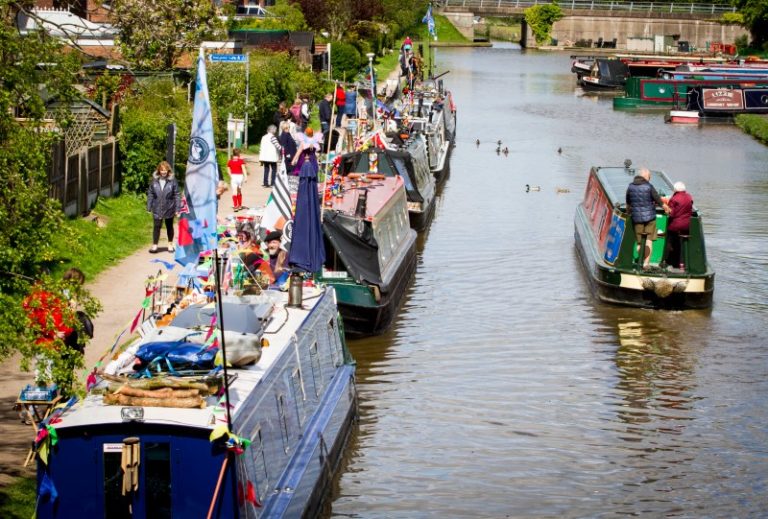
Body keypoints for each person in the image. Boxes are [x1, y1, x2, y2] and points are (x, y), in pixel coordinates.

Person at [625, 167, 666, 270]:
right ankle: (646, 264)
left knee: (639, 242)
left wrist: (629, 213)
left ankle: (640, 260)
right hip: (650, 218)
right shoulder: (649, 186)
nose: (650, 178)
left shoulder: (630, 187)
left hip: (637, 218)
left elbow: (628, 202)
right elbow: (657, 199)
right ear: (646, 177)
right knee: (649, 241)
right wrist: (665, 207)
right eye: (649, 176)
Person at [147, 160, 181, 253]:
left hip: (169, 207)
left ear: (168, 171)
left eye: (165, 170)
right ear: (159, 171)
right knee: (156, 226)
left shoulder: (173, 181)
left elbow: (177, 194)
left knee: (169, 226)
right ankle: (155, 245)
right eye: (162, 170)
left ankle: (170, 244)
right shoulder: (154, 181)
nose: (163, 172)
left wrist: (178, 209)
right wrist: (149, 206)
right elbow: (150, 194)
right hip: (157, 207)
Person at [663, 181, 694, 269]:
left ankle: (667, 261)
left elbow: (672, 214)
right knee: (682, 243)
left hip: (675, 226)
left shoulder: (674, 199)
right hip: (687, 225)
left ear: (675, 189)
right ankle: (682, 263)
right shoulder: (689, 197)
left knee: (669, 242)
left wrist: (666, 210)